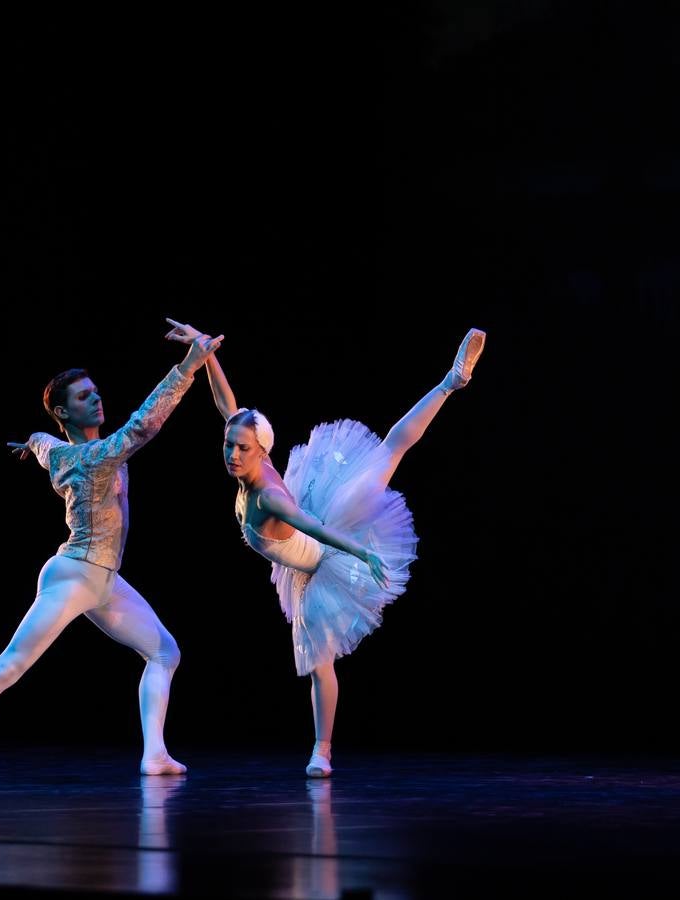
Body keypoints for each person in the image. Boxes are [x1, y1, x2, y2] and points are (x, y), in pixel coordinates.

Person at [0, 326, 224, 776]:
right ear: (63, 411)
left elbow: (42, 441)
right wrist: (189, 366)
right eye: (83, 397)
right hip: (74, 575)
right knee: (10, 666)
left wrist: (29, 445)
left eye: (95, 392)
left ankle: (154, 755)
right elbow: (144, 423)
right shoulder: (94, 456)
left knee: (165, 651)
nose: (96, 399)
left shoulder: (61, 450)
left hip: (105, 580)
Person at [165, 318, 484, 777]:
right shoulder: (254, 458)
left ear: (260, 451)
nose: (233, 454)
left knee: (319, 660)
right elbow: (227, 406)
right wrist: (206, 353)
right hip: (306, 547)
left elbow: (315, 528)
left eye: (241, 449)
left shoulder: (270, 496)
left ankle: (323, 749)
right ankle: (322, 748)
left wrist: (362, 552)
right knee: (318, 660)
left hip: (328, 547)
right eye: (229, 446)